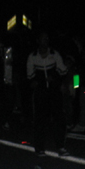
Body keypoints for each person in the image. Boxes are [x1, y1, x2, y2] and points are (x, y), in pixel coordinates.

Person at [27, 31, 69, 159]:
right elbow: (29, 76)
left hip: (54, 91)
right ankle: (39, 148)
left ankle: (60, 146)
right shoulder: (33, 57)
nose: (44, 41)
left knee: (58, 119)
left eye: (46, 38)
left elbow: (63, 70)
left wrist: (55, 78)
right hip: (41, 93)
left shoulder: (54, 55)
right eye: (42, 39)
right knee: (40, 120)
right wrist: (36, 82)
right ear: (38, 41)